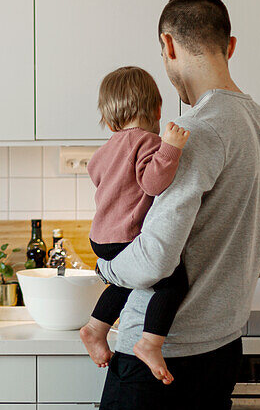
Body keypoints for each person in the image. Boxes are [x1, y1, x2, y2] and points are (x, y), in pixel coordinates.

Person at [91, 0, 260, 410]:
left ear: (168, 45)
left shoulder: (199, 132)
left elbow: (155, 260)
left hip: (152, 360)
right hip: (219, 351)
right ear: (229, 45)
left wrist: (106, 268)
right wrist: (221, 274)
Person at [79, 66, 191, 384]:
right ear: (156, 107)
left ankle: (95, 328)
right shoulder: (146, 141)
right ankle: (150, 343)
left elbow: (101, 178)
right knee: (172, 281)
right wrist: (171, 147)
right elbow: (153, 182)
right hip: (126, 236)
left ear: (109, 114)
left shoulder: (103, 152)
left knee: (123, 283)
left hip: (101, 238)